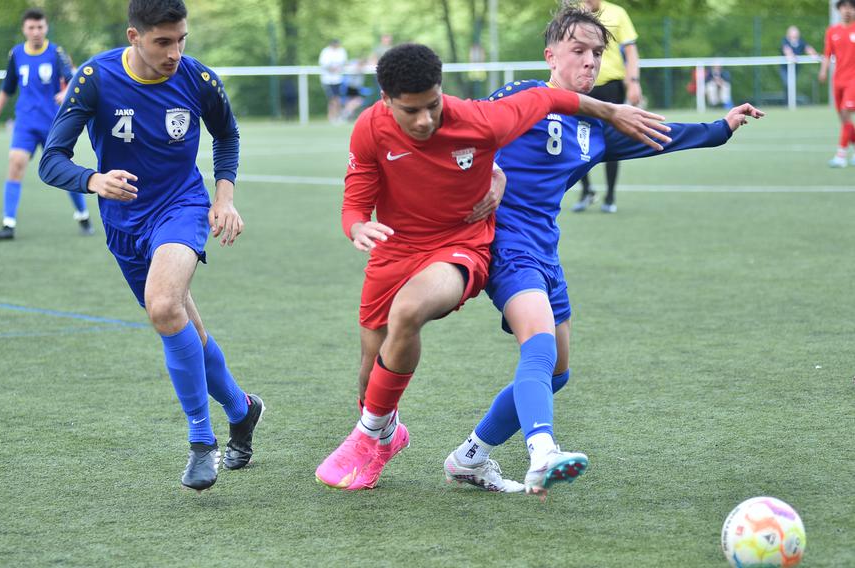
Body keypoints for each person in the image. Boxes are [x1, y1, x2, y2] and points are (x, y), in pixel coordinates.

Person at [314, 42, 671, 491]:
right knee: (370, 365)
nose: (425, 119)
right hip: (394, 249)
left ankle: (366, 434)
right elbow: (355, 199)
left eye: (432, 105)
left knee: (408, 312)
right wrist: (356, 226)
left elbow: (547, 98)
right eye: (411, 111)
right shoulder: (369, 128)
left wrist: (610, 111)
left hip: (460, 246)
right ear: (385, 101)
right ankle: (385, 437)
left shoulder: (480, 119)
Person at [441, 6, 763, 498]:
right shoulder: (523, 97)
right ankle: (542, 451)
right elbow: (467, 133)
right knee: (539, 345)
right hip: (505, 244)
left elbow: (664, 135)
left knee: (558, 372)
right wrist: (482, 177)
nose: (590, 62)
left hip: (545, 250)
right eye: (578, 51)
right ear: (551, 56)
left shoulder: (598, 127)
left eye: (597, 53)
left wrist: (722, 126)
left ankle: (470, 456)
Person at [38, 0, 263, 492]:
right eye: (164, 42)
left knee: (163, 307)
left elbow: (227, 135)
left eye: (182, 39)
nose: (175, 52)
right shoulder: (95, 78)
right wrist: (93, 179)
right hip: (123, 223)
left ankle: (202, 443)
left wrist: (223, 197)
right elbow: (51, 160)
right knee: (184, 326)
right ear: (134, 36)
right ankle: (242, 410)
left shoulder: (198, 80)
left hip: (181, 209)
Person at [0, 8, 93, 240]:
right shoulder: (16, 54)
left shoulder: (56, 52)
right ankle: (8, 224)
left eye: (40, 27)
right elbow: (7, 89)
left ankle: (83, 214)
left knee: (62, 170)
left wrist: (66, 92)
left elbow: (74, 78)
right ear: (24, 29)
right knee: (15, 163)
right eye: (31, 27)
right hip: (25, 122)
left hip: (53, 124)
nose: (36, 32)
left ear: (46, 28)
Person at [573, 0, 642, 214]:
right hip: (580, 84)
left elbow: (630, 51)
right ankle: (586, 191)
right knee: (575, 138)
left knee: (612, 138)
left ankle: (610, 195)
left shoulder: (617, 13)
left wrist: (634, 82)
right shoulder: (573, 12)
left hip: (610, 85)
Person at [819, 0, 855, 167]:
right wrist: (823, 71)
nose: (847, 10)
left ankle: (841, 155)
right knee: (843, 119)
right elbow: (827, 54)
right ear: (839, 10)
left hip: (853, 80)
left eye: (851, 7)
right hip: (838, 80)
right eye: (844, 7)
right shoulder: (832, 31)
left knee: (846, 113)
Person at [780, 25, 819, 91]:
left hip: (796, 67)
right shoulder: (785, 40)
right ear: (789, 34)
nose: (795, 36)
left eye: (796, 35)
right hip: (785, 68)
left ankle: (791, 100)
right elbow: (786, 49)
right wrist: (791, 56)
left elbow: (808, 48)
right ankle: (787, 100)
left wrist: (815, 55)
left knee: (792, 85)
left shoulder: (800, 41)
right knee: (787, 84)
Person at [319, 39, 348, 123]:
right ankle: (332, 117)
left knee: (337, 99)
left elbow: (344, 63)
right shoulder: (325, 52)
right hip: (327, 80)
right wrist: (331, 68)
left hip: (338, 79)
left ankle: (337, 116)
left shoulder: (342, 51)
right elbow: (323, 64)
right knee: (332, 99)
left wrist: (339, 68)